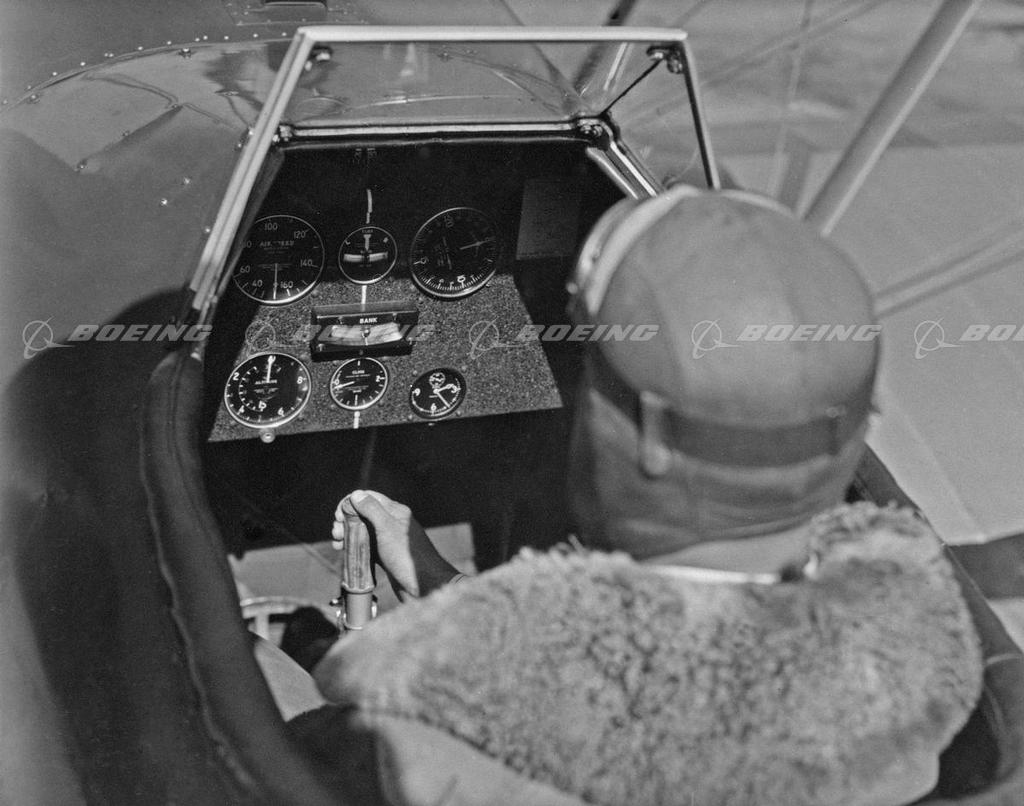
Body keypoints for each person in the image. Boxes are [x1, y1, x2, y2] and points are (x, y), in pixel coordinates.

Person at [287, 188, 993, 806]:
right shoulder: (919, 675)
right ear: (856, 430)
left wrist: (420, 636)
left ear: (653, 437)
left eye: (590, 367)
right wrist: (441, 587)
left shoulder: (410, 737)